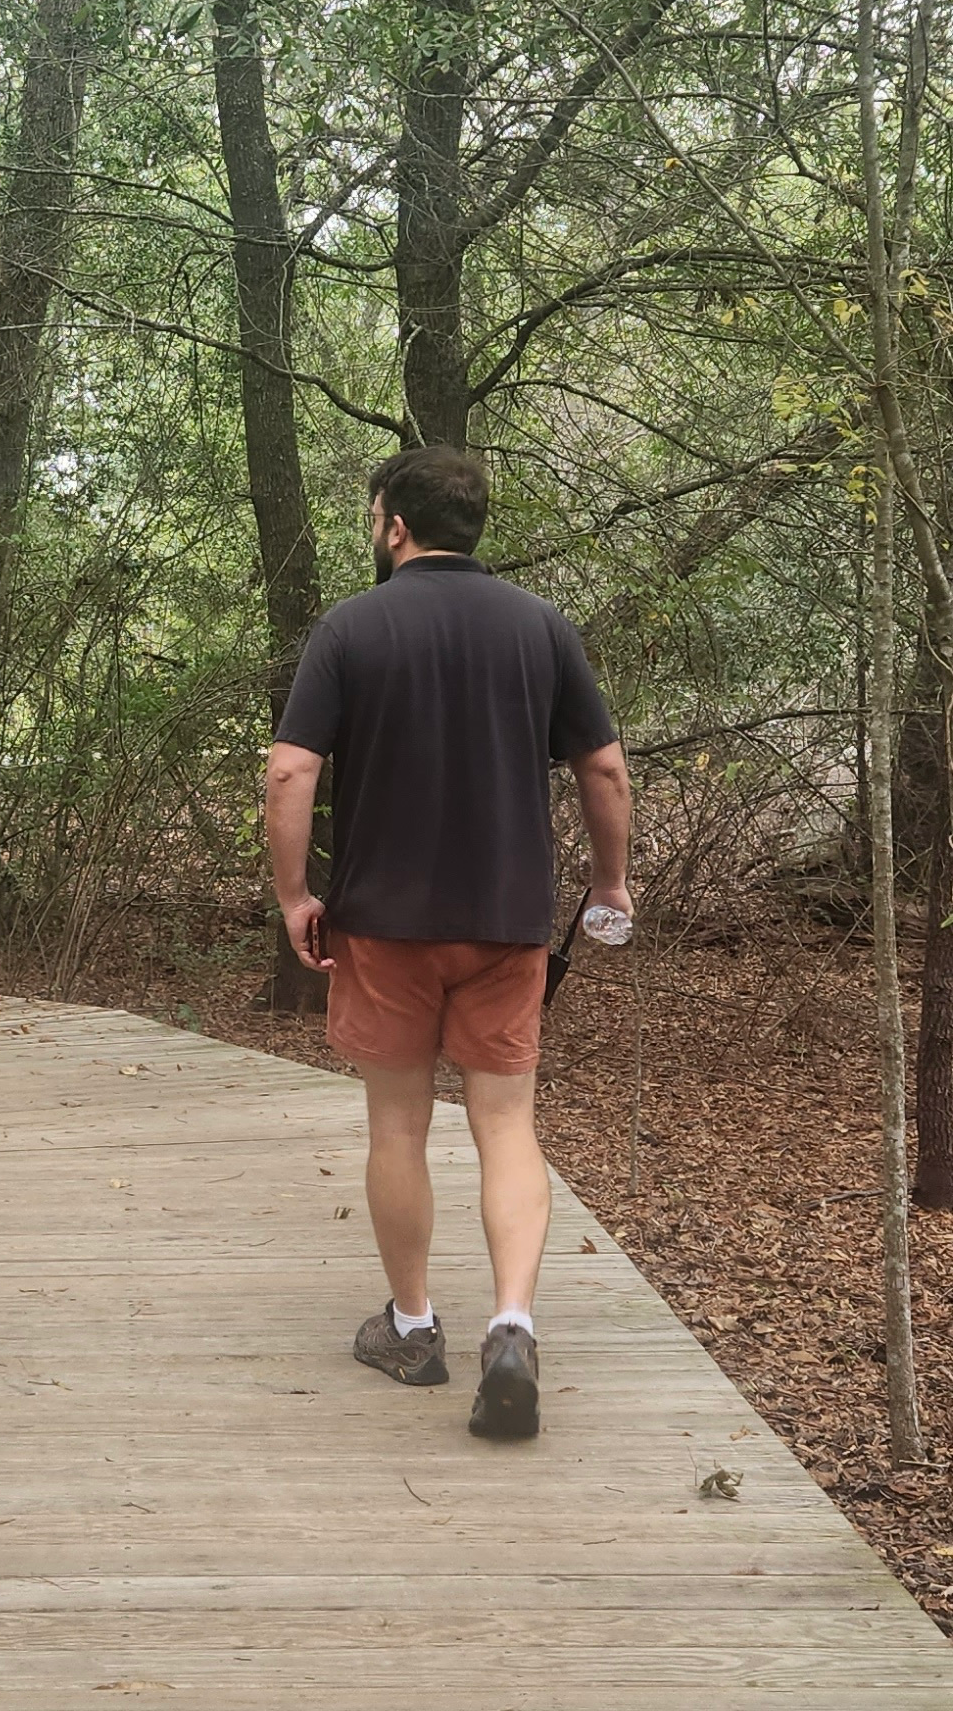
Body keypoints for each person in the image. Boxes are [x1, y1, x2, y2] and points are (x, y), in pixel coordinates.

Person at [265, 446, 630, 1439]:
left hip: (381, 924)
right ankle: (512, 1324)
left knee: (398, 1127)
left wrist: (296, 892)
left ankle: (414, 1328)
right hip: (504, 922)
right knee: (506, 1125)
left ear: (393, 525)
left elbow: (291, 771)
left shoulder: (352, 627)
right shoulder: (538, 627)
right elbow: (603, 768)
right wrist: (608, 882)